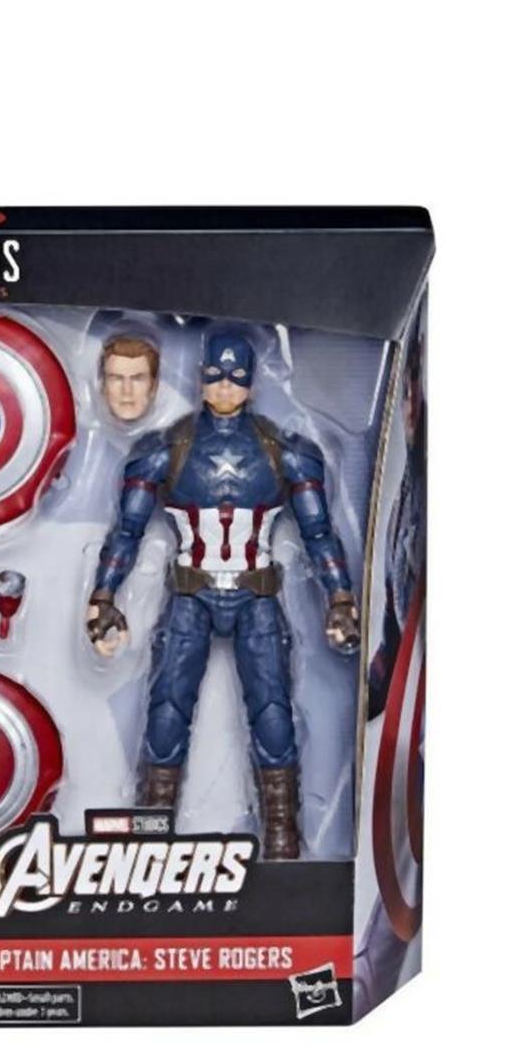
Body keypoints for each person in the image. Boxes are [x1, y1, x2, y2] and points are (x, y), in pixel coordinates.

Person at [86, 330, 359, 858]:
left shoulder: (286, 452)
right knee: (167, 712)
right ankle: (149, 842)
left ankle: (282, 844)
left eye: (236, 377)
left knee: (273, 716)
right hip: (191, 595)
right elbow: (126, 534)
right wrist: (103, 597)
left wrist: (340, 599)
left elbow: (319, 535)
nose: (226, 387)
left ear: (252, 382)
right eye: (215, 376)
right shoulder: (165, 450)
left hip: (257, 597)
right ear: (200, 378)